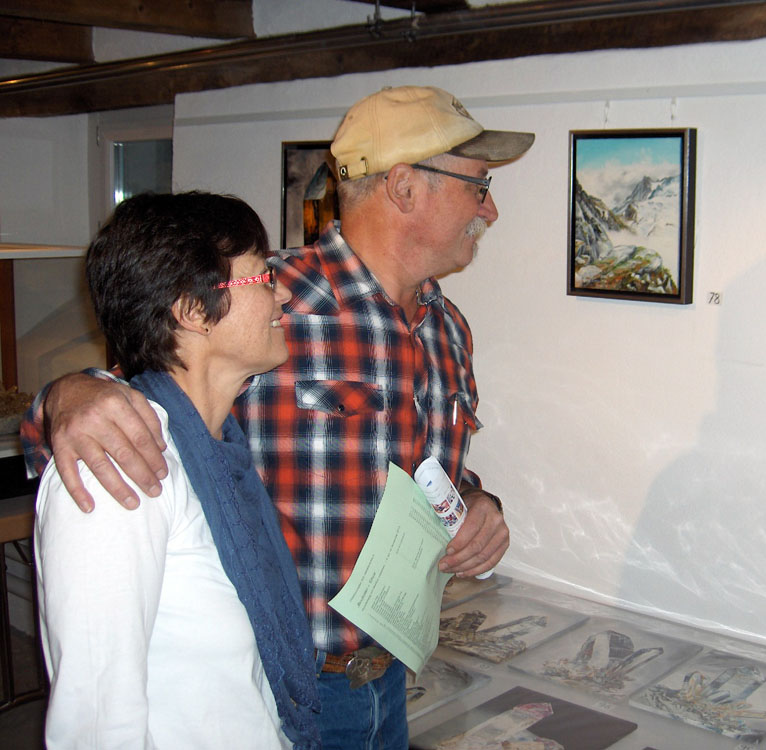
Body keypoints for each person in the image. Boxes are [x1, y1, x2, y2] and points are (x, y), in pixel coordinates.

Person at [23, 85, 534, 749]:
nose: (490, 208)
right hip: (289, 686)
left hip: (393, 674)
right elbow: (121, 412)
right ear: (405, 187)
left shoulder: (447, 328)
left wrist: (475, 502)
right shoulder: (266, 305)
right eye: (478, 185)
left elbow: (419, 475)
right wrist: (68, 394)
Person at [33, 192, 321, 749]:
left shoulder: (219, 450)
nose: (283, 292)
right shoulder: (116, 470)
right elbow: (94, 725)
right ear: (192, 309)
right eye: (263, 278)